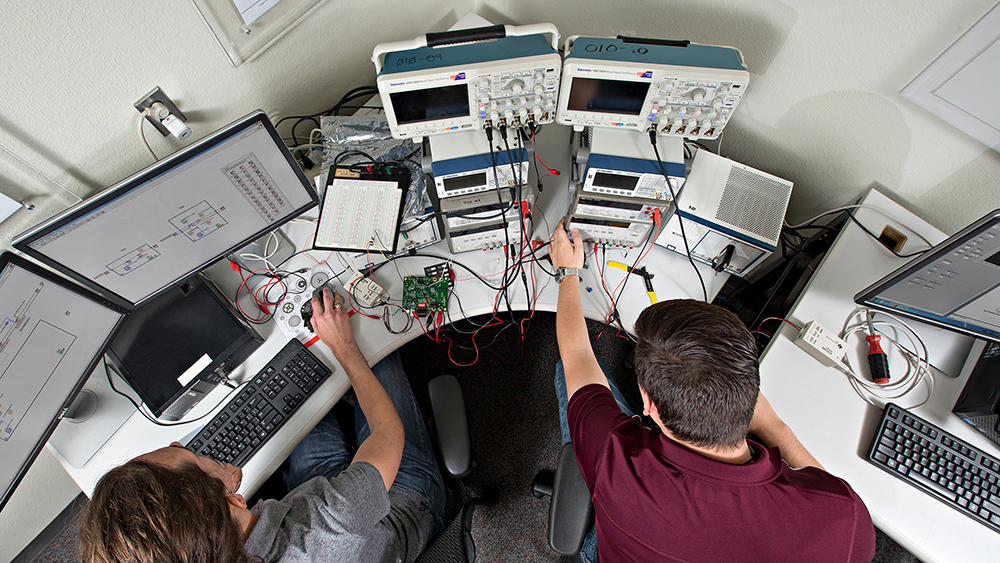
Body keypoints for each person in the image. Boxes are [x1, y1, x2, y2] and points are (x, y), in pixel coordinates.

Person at [548, 218, 876, 563]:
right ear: (751, 391)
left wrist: (567, 274)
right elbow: (826, 491)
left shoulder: (614, 459)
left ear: (649, 403)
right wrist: (773, 427)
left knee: (564, 374)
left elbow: (577, 356)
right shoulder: (845, 520)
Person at [78, 288, 445, 563]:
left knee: (297, 399)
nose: (178, 445)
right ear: (234, 501)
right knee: (376, 350)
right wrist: (345, 348)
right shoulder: (331, 528)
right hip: (397, 506)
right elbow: (386, 434)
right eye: (189, 455)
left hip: (305, 506)